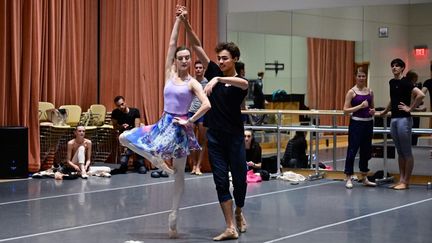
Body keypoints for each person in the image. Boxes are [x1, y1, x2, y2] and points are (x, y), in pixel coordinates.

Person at [119, 7, 211, 238]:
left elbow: (206, 105)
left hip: (179, 129)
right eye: (180, 58)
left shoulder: (193, 83)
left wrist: (189, 121)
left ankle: (174, 216)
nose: (183, 61)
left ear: (190, 61)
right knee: (124, 137)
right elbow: (171, 45)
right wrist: (179, 21)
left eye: (186, 58)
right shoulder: (169, 73)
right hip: (163, 123)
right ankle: (156, 160)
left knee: (179, 174)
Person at [181, 6, 249, 241]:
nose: (220, 61)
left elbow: (244, 85)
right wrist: (186, 23)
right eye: (218, 58)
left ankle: (239, 210)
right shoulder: (212, 69)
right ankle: (230, 226)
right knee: (220, 181)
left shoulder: (239, 81)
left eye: (224, 59)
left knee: (240, 181)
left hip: (235, 138)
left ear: (234, 60)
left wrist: (218, 78)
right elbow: (197, 45)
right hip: (215, 138)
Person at [379, 58, 425, 190]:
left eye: (397, 66)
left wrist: (410, 108)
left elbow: (420, 95)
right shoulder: (392, 82)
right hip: (394, 119)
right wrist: (386, 111)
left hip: (404, 119)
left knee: (406, 151)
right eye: (392, 66)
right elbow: (393, 98)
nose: (394, 68)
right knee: (399, 152)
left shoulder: (407, 82)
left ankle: (406, 181)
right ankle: (401, 179)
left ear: (402, 68)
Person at [342, 68, 376, 189]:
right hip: (356, 124)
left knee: (366, 151)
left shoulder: (370, 92)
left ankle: (364, 176)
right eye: (359, 76)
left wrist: (373, 111)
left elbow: (373, 108)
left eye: (363, 76)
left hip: (368, 124)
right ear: (355, 77)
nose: (361, 78)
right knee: (352, 150)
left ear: (366, 77)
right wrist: (360, 106)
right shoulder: (351, 92)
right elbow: (345, 110)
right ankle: (348, 176)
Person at [111, 96, 147, 174]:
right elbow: (115, 127)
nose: (121, 107)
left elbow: (137, 127)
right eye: (118, 106)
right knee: (123, 164)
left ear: (125, 102)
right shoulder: (115, 113)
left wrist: (129, 129)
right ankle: (127, 163)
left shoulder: (135, 111)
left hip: (134, 135)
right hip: (124, 137)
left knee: (138, 139)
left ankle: (140, 163)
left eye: (122, 104)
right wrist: (121, 126)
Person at [188, 60, 209, 176]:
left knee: (202, 140)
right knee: (191, 140)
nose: (198, 69)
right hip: (190, 112)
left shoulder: (207, 82)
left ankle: (199, 166)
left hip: (202, 113)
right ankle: (194, 164)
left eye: (201, 67)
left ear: (203, 69)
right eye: (196, 68)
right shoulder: (191, 81)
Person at [405, 70, 426, 145]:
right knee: (411, 134)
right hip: (408, 115)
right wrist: (420, 109)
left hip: (410, 114)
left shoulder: (407, 86)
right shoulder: (410, 88)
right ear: (413, 78)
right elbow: (408, 107)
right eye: (416, 79)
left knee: (413, 134)